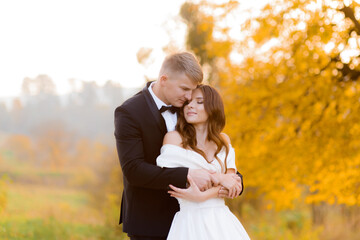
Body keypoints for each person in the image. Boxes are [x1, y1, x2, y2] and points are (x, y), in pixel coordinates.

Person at [114, 52, 243, 240]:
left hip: (198, 220)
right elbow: (133, 170)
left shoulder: (188, 108)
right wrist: (188, 174)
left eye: (193, 90)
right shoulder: (129, 112)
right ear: (164, 79)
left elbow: (214, 157)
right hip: (150, 221)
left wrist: (233, 180)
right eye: (184, 89)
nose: (189, 97)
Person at [156, 84, 250, 240]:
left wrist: (202, 196)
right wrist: (219, 178)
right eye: (188, 102)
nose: (190, 106)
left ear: (213, 107)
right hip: (190, 221)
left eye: (199, 102)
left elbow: (232, 185)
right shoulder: (174, 138)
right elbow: (170, 178)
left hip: (222, 222)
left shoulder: (224, 140)